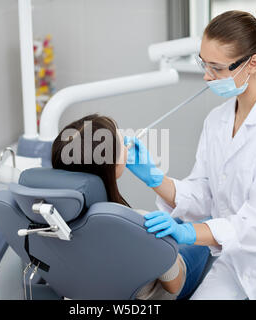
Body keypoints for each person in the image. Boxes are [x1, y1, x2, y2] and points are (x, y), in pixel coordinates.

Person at [124, 9, 256, 299]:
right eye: (204, 64)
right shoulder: (217, 120)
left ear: (251, 64)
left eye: (216, 68)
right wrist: (154, 178)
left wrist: (189, 233)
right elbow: (204, 193)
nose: (206, 76)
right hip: (238, 265)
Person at [51, 114, 210, 300]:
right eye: (120, 140)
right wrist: (162, 247)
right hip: (162, 291)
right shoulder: (135, 224)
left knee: (180, 219)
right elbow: (174, 285)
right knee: (210, 220)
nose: (126, 143)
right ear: (115, 163)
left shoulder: (51, 216)